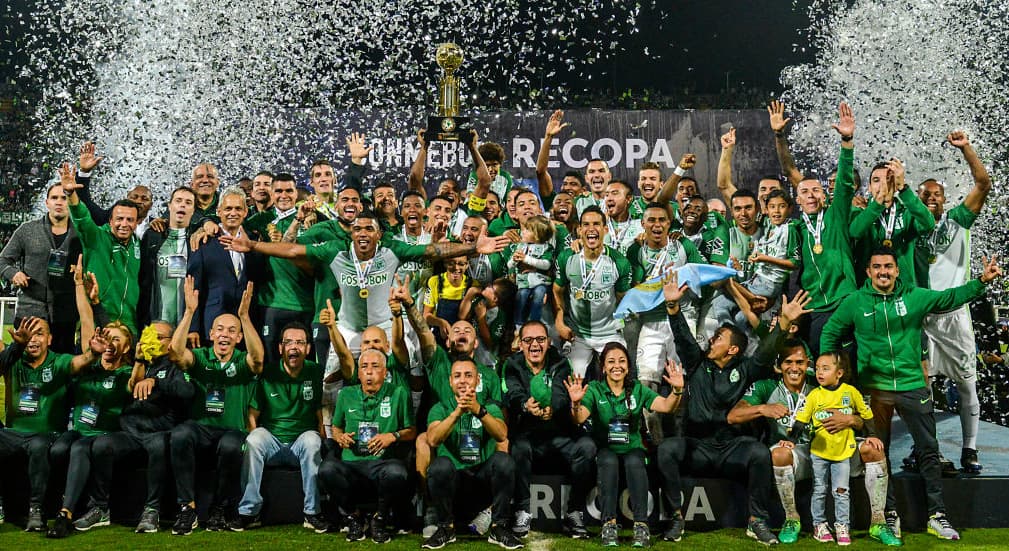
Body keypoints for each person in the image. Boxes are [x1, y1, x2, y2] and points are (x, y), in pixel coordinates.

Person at [820, 249, 1003, 541]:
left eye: (889, 266)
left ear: (897, 270)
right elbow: (829, 332)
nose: (883, 271)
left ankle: (936, 516)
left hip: (912, 385)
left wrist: (981, 280)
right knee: (878, 453)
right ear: (868, 271)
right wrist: (833, 373)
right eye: (877, 266)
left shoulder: (915, 296)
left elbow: (950, 298)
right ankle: (889, 515)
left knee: (929, 451)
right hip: (875, 390)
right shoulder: (855, 302)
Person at [221, 210, 510, 359]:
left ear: (378, 234)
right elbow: (294, 251)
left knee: (407, 367)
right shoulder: (335, 250)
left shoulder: (392, 250)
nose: (361, 233)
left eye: (368, 228)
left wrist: (471, 248)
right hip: (346, 328)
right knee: (332, 382)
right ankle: (332, 441)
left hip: (384, 327)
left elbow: (433, 251)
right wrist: (253, 245)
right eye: (357, 228)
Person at [655, 272, 810, 545]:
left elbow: (764, 351)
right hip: (698, 446)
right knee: (667, 449)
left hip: (730, 448)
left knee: (759, 452)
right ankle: (675, 518)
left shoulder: (745, 370)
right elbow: (682, 337)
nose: (712, 339)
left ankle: (757, 521)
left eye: (719, 337)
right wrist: (673, 307)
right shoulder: (696, 363)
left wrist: (783, 323)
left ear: (733, 350)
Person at [728, 339, 895, 546]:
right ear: (778, 366)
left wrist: (851, 420)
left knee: (874, 449)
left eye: (800, 362)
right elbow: (733, 416)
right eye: (788, 362)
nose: (794, 368)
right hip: (796, 453)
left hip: (833, 448)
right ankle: (792, 519)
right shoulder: (766, 387)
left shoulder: (822, 383)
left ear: (808, 364)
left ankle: (879, 522)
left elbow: (861, 415)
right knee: (779, 453)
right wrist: (762, 408)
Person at [916, 130, 993, 473]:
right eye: (925, 194)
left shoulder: (958, 221)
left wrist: (965, 148)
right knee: (923, 387)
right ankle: (927, 450)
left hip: (955, 315)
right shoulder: (908, 227)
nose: (931, 198)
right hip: (923, 318)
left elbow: (983, 183)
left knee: (965, 382)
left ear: (946, 201)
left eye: (937, 194)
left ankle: (970, 449)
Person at [169, 277, 263, 535]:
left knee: (233, 445)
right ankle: (187, 509)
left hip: (231, 430)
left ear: (239, 337)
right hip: (201, 428)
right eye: (219, 329)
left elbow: (258, 359)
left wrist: (244, 316)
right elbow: (176, 353)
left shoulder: (243, 361)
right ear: (211, 334)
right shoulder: (200, 357)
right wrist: (189, 312)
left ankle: (220, 510)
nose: (225, 334)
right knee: (180, 435)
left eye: (232, 330)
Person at [565, 342, 684, 547]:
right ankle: (609, 525)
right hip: (606, 448)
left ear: (628, 366)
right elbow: (579, 418)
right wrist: (575, 403)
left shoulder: (637, 388)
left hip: (633, 448)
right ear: (603, 367)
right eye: (611, 361)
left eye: (621, 361)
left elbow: (666, 406)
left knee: (635, 461)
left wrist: (677, 390)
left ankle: (641, 526)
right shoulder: (595, 389)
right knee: (608, 460)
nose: (616, 366)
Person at [47, 278, 135, 538]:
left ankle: (66, 513)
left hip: (105, 436)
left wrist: (145, 369)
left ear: (127, 347)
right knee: (61, 446)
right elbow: (87, 322)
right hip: (79, 431)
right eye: (108, 337)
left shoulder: (128, 373)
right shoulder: (90, 365)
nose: (110, 343)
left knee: (79, 447)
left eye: (117, 340)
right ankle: (59, 501)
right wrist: (79, 289)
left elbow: (136, 380)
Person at [769, 101, 858, 358]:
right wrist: (779, 136)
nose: (810, 195)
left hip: (844, 299)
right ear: (796, 200)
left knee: (850, 362)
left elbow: (843, 180)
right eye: (804, 192)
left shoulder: (836, 215)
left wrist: (847, 141)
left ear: (824, 195)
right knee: (822, 360)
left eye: (816, 190)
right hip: (815, 306)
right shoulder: (795, 228)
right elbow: (788, 169)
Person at [0, 316, 102, 532]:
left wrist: (93, 353)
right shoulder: (13, 360)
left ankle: (36, 509)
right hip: (12, 433)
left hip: (46, 435)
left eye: (39, 333)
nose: (33, 339)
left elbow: (79, 362)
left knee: (38, 447)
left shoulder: (59, 361)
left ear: (49, 339)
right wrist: (16, 346)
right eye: (27, 333)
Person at [97, 320, 195, 534]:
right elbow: (127, 389)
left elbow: (188, 391)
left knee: (159, 446)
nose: (152, 341)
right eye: (148, 336)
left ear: (171, 343)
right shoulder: (137, 362)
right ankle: (99, 507)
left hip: (158, 433)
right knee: (100, 445)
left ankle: (152, 510)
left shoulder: (175, 365)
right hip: (130, 433)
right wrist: (140, 362)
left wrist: (156, 382)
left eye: (159, 337)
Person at [232, 322, 327, 533]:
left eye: (300, 342)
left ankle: (312, 513)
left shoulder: (315, 372)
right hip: (272, 442)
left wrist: (323, 434)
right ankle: (249, 512)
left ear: (308, 349)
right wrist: (251, 440)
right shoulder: (268, 373)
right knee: (254, 439)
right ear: (280, 348)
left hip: (301, 441)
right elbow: (252, 415)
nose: (294, 347)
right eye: (289, 342)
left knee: (313, 441)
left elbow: (321, 409)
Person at [504, 321, 595, 539]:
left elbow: (562, 391)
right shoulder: (511, 364)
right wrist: (527, 406)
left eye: (540, 339)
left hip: (559, 435)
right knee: (518, 448)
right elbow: (511, 392)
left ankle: (574, 512)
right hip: (528, 435)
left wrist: (551, 409)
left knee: (587, 447)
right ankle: (523, 510)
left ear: (548, 342)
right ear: (521, 344)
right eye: (528, 340)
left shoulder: (561, 362)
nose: (534, 345)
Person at [623, 202, 705, 440]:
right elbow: (636, 288)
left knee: (681, 380)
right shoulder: (634, 251)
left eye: (662, 220)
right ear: (643, 224)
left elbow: (700, 273)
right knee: (647, 381)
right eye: (651, 220)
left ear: (670, 223)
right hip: (651, 323)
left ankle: (679, 442)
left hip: (681, 319)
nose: (656, 225)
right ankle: (656, 443)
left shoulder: (683, 245)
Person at [423, 358, 524, 550]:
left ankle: (499, 527)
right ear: (450, 381)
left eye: (468, 376)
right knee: (439, 466)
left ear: (478, 381)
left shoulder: (490, 408)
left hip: (481, 482)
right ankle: (445, 528)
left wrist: (478, 410)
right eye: (457, 376)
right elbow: (433, 440)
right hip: (455, 484)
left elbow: (502, 434)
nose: (462, 380)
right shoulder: (440, 408)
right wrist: (457, 413)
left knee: (504, 461)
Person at [319, 348, 416, 543]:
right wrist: (340, 437)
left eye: (375, 366)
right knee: (327, 469)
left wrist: (392, 435)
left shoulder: (398, 393)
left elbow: (411, 431)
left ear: (385, 371)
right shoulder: (346, 394)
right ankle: (354, 517)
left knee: (397, 472)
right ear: (358, 372)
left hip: (382, 463)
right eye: (364, 367)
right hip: (351, 464)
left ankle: (379, 519)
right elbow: (336, 427)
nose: (369, 371)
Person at [783, 352, 876, 545]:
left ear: (839, 372)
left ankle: (843, 526)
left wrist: (873, 435)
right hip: (819, 453)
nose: (819, 373)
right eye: (817, 368)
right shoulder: (815, 395)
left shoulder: (850, 392)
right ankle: (820, 525)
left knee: (841, 491)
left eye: (825, 368)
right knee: (819, 490)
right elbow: (801, 420)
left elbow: (866, 415)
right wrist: (790, 440)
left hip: (843, 453)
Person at [60, 161, 142, 337]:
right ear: (110, 221)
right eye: (119, 219)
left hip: (129, 327)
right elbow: (82, 218)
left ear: (136, 223)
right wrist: (70, 194)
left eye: (130, 220)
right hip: (96, 322)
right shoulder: (96, 239)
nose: (124, 224)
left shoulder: (138, 245)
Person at [243, 173, 316, 366]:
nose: (284, 195)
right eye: (279, 191)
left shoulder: (313, 219)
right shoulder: (259, 220)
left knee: (304, 365)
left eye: (289, 191)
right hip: (270, 303)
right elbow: (228, 225)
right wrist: (203, 225)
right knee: (270, 363)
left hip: (305, 304)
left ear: (296, 193)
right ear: (271, 193)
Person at [0, 182, 80, 352]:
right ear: (47, 203)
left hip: (65, 314)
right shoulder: (26, 230)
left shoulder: (81, 234)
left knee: (61, 368)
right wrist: (14, 274)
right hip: (30, 311)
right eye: (54, 198)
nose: (59, 202)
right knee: (25, 366)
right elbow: (3, 260)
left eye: (64, 198)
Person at [553, 206, 632, 377]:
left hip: (609, 333)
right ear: (579, 229)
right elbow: (557, 290)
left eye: (596, 224)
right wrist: (560, 320)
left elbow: (622, 299)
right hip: (577, 334)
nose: (591, 229)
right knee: (573, 381)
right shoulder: (566, 257)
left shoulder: (619, 262)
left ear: (605, 229)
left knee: (621, 376)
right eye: (586, 224)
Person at [187, 187, 259, 345]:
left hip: (247, 325)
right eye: (228, 208)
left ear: (246, 212)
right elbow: (194, 288)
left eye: (238, 209)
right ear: (218, 211)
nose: (233, 213)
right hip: (212, 324)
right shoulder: (204, 242)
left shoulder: (254, 240)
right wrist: (192, 327)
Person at [849, 159, 935, 285]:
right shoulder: (860, 211)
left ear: (895, 185)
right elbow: (854, 232)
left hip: (902, 290)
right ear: (869, 187)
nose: (883, 185)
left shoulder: (907, 212)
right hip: (868, 291)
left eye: (888, 180)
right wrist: (877, 204)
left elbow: (929, 224)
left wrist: (904, 189)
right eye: (876, 180)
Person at [138, 187, 197, 329]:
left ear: (194, 210)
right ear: (170, 206)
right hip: (155, 321)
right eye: (178, 201)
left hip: (187, 323)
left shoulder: (198, 240)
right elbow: (143, 278)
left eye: (188, 202)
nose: (182, 205)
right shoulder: (152, 236)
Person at [75, 141, 157, 238]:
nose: (138, 201)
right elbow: (84, 202)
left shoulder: (158, 226)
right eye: (134, 197)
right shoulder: (107, 219)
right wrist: (84, 172)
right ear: (126, 199)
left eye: (144, 199)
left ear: (151, 205)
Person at [506, 215, 555, 344]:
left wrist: (526, 259)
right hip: (524, 282)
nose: (523, 232)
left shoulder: (546, 248)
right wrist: (514, 260)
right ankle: (519, 326)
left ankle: (535, 323)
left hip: (540, 281)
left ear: (537, 235)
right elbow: (509, 265)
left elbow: (546, 264)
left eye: (527, 230)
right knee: (521, 295)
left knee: (539, 294)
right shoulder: (521, 247)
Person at [602, 180, 644, 254]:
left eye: (614, 194)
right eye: (607, 195)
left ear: (628, 199)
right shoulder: (598, 226)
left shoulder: (640, 227)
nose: (609, 198)